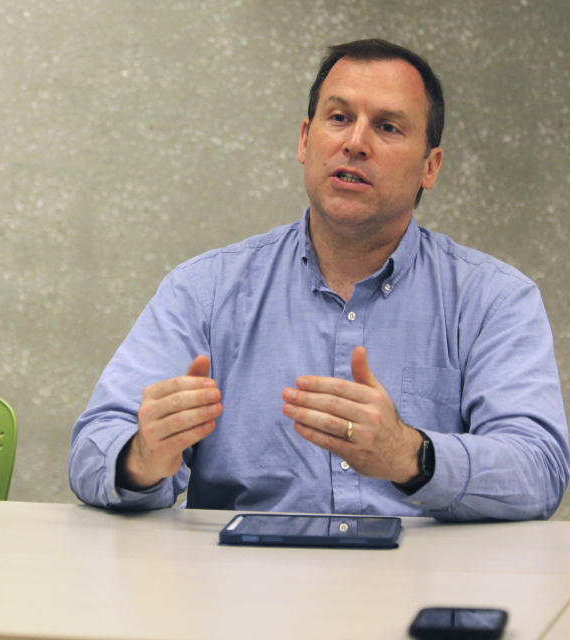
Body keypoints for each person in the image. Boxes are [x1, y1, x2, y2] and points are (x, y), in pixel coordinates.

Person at [69, 39, 570, 520]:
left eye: (388, 127)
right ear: (306, 140)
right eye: (339, 118)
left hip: (422, 583)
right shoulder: (205, 289)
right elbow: (92, 449)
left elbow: (540, 470)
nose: (355, 142)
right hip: (245, 588)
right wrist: (140, 459)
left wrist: (411, 455)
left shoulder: (494, 299)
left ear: (430, 167)